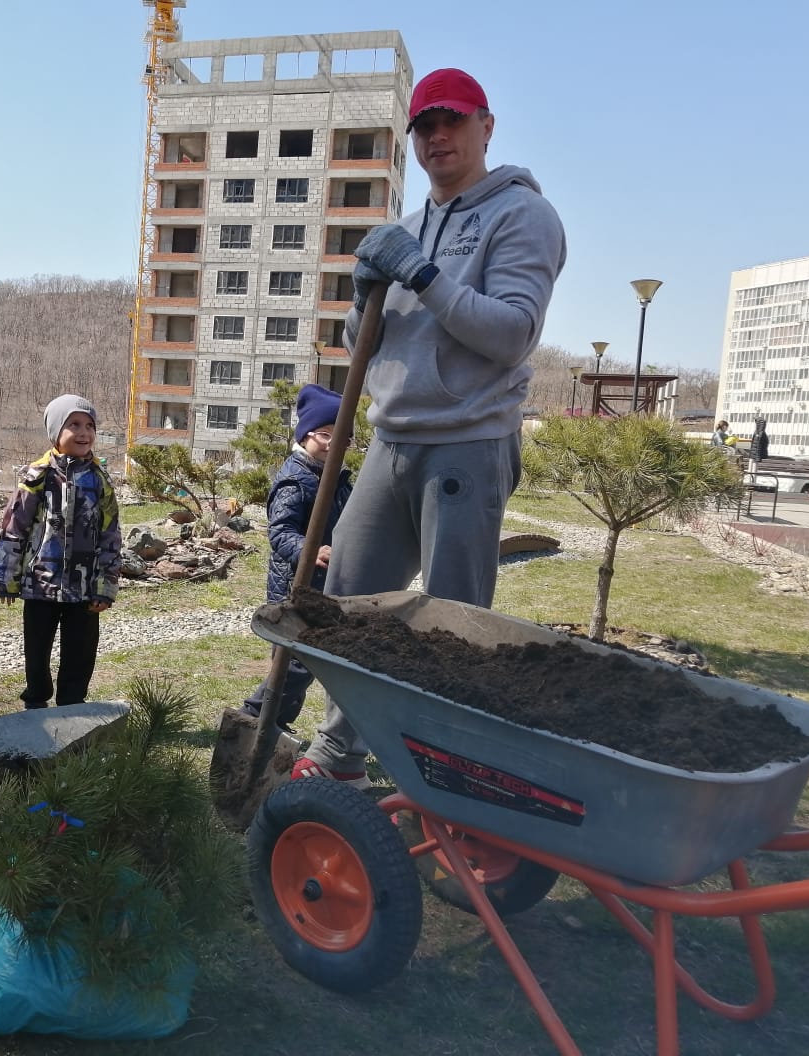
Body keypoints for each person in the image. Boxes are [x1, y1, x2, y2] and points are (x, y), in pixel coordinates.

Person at [292, 67, 567, 786]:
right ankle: (339, 753)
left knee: (450, 624)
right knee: (348, 603)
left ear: (486, 125)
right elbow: (363, 351)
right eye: (424, 125)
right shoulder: (407, 230)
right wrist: (361, 297)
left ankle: (447, 769)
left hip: (467, 441)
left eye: (452, 120)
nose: (438, 135)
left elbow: (510, 333)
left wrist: (422, 276)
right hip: (391, 440)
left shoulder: (522, 217)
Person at [0, 394, 121, 709]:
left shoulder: (100, 480)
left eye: (89, 425)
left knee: (80, 651)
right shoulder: (36, 476)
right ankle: (35, 702)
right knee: (37, 651)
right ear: (55, 432)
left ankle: (72, 704)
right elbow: (14, 528)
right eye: (74, 424)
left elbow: (110, 535)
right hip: (40, 585)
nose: (84, 433)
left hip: (84, 588)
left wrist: (106, 585)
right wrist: (8, 577)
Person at [241, 385, 352, 730]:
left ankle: (275, 719)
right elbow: (280, 533)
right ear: (305, 436)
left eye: (342, 437)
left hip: (322, 584)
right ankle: (257, 716)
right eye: (324, 435)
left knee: (299, 661)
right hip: (295, 584)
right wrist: (309, 550)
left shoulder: (336, 479)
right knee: (296, 661)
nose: (333, 443)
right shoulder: (295, 481)